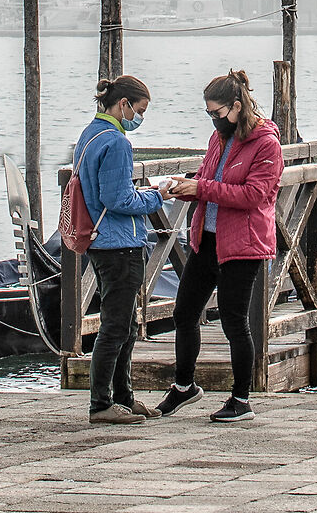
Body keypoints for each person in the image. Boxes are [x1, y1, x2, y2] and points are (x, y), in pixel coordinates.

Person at [153, 69, 282, 423]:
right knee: (184, 313)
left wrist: (202, 189)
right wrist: (187, 183)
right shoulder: (218, 139)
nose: (214, 120)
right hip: (206, 239)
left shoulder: (267, 143)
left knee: (233, 320)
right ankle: (184, 387)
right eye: (209, 114)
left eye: (218, 113)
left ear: (237, 106)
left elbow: (256, 195)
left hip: (244, 245)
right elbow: (210, 179)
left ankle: (242, 399)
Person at [75, 75, 168, 425]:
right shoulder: (117, 142)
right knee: (116, 327)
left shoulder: (90, 134)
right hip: (119, 244)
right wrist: (160, 195)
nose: (139, 117)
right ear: (124, 104)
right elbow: (118, 199)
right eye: (139, 110)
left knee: (126, 324)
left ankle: (123, 398)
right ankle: (101, 404)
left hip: (100, 242)